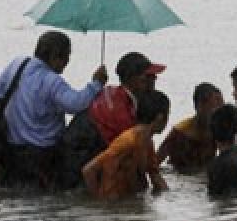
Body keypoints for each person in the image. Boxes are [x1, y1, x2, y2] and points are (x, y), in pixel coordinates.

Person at [0, 31, 108, 189]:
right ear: (56, 56)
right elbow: (75, 104)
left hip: (10, 149)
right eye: (67, 56)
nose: (67, 62)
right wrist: (96, 84)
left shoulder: (17, 64)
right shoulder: (52, 81)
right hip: (42, 154)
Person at [56, 52, 164, 189]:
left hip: (73, 152)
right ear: (133, 79)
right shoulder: (121, 112)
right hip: (77, 163)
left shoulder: (114, 93)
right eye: (148, 76)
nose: (154, 79)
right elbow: (131, 152)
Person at [82, 90, 171, 200]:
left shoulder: (148, 142)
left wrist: (170, 199)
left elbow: (155, 175)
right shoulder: (127, 141)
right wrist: (98, 204)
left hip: (129, 200)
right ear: (160, 117)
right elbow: (88, 171)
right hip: (112, 203)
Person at [156, 83, 224, 172]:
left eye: (222, 106)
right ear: (199, 106)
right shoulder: (180, 131)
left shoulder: (219, 129)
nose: (221, 113)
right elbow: (155, 162)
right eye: (215, 107)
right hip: (180, 176)